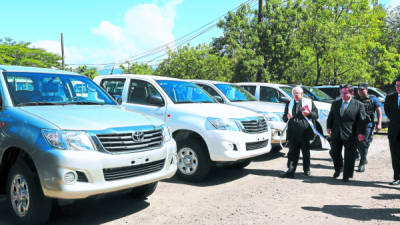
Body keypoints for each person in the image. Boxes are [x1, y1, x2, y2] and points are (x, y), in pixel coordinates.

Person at [327, 84, 367, 182]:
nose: (342, 95)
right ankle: (339, 168)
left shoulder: (358, 105)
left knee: (350, 155)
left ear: (352, 93)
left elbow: (362, 120)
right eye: (341, 92)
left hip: (351, 134)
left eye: (345, 93)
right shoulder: (335, 103)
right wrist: (329, 127)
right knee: (334, 152)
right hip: (336, 133)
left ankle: (347, 175)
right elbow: (331, 116)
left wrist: (361, 133)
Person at [280, 86, 318, 178]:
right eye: (294, 93)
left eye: (297, 93)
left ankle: (307, 170)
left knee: (305, 153)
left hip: (305, 133)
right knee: (292, 153)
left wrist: (308, 114)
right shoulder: (289, 103)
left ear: (302, 94)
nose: (295, 95)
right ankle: (291, 171)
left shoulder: (308, 102)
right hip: (293, 133)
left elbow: (316, 115)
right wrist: (287, 117)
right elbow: (284, 118)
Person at [355, 82, 382, 172]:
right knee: (357, 143)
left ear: (366, 90)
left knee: (364, 143)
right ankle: (363, 157)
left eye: (362, 89)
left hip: (368, 124)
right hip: (357, 124)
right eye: (359, 89)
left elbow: (379, 111)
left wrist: (379, 123)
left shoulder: (373, 99)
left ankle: (362, 162)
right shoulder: (355, 99)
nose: (360, 91)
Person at [384, 77, 400, 185]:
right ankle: (397, 177)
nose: (399, 88)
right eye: (397, 86)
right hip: (394, 131)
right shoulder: (390, 98)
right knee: (395, 155)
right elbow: (388, 112)